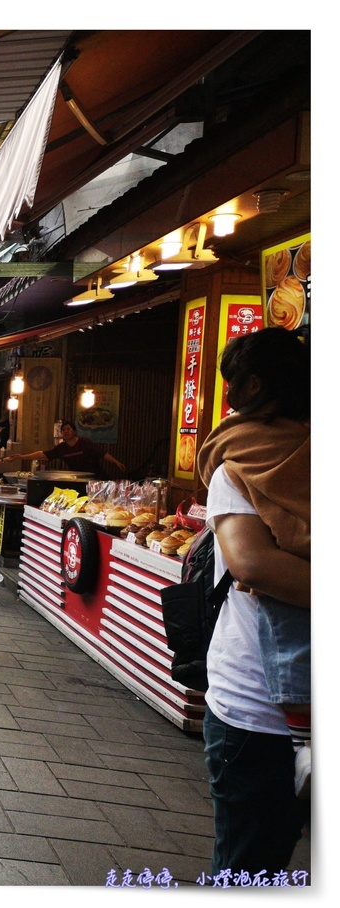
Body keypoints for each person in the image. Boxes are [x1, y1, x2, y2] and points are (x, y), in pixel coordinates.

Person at [196, 326, 311, 876]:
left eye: (230, 384)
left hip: (255, 709)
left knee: (250, 869)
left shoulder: (238, 456)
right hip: (266, 708)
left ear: (254, 385)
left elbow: (251, 563)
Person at [11, 421, 127, 477]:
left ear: (75, 431)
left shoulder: (84, 443)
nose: (66, 431)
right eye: (63, 430)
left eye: (68, 429)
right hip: (78, 479)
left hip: (96, 478)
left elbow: (103, 454)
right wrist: (21, 457)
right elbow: (43, 454)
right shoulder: (62, 448)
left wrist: (116, 462)